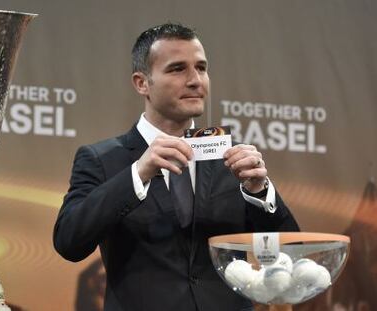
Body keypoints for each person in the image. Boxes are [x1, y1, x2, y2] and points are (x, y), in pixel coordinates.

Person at [53, 23, 299, 311]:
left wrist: (260, 191)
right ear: (142, 83)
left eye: (202, 68)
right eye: (177, 69)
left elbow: (290, 250)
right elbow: (69, 242)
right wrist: (138, 173)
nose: (196, 80)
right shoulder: (102, 159)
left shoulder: (233, 158)